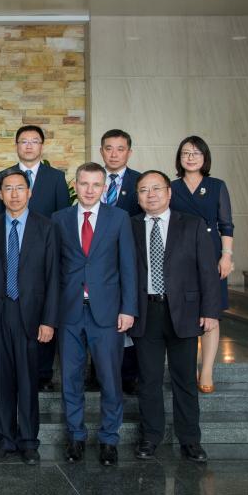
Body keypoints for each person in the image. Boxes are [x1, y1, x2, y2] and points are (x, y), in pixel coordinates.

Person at [131, 170, 220, 463]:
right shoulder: (129, 226)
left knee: (184, 379)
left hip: (184, 312)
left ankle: (190, 440)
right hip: (146, 311)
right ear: (138, 197)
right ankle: (150, 437)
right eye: (144, 190)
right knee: (149, 379)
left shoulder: (192, 225)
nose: (151, 195)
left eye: (156, 188)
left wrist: (210, 311)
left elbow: (208, 272)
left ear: (169, 193)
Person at [52, 162, 137, 467]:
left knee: (110, 379)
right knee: (70, 378)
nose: (89, 190)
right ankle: (76, 436)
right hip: (69, 312)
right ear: (75, 185)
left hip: (108, 312)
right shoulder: (59, 219)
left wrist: (128, 309)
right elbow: (53, 269)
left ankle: (109, 439)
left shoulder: (119, 218)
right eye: (84, 184)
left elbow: (128, 266)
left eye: (96, 185)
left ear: (104, 188)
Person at [0, 171, 58, 465]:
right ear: (0, 194)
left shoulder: (46, 227)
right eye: (7, 189)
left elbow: (53, 277)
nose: (14, 194)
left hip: (32, 316)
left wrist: (49, 320)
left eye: (20, 188)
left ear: (29, 192)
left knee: (28, 381)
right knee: (3, 382)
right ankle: (5, 440)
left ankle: (29, 441)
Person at [0, 125, 70, 391]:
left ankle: (44, 374)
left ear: (42, 146)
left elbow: (61, 218)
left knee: (42, 316)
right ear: (16, 145)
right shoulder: (3, 176)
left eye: (34, 141)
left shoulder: (56, 177)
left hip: (42, 258)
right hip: (11, 258)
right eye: (23, 141)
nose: (28, 146)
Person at [169, 136, 234, 394]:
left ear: (205, 157)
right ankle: (187, 368)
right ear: (179, 158)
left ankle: (206, 369)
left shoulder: (216, 186)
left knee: (211, 311)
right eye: (186, 153)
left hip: (211, 252)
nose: (191, 157)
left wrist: (226, 255)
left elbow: (226, 224)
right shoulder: (172, 186)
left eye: (196, 153)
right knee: (185, 310)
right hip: (180, 255)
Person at [98, 128, 141, 394]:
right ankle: (97, 371)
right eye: (109, 148)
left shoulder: (139, 182)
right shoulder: (91, 179)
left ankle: (128, 374)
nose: (114, 154)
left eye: (120, 149)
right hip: (96, 264)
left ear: (129, 152)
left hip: (129, 259)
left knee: (126, 316)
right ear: (101, 151)